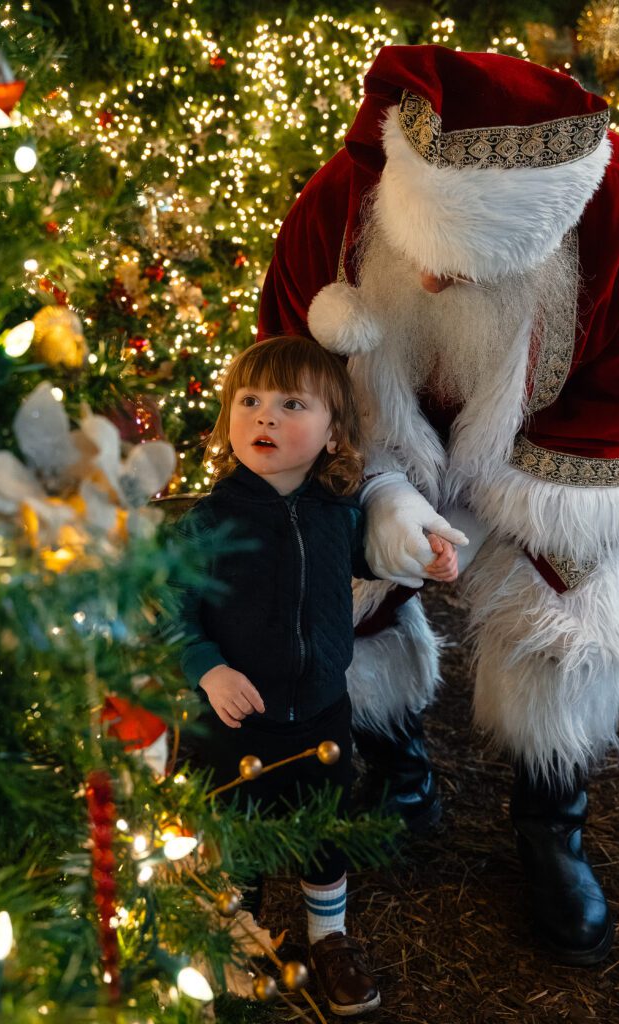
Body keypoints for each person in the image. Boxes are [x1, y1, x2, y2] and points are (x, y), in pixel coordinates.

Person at [258, 45, 619, 967]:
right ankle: (396, 760)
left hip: (563, 438)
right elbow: (286, 367)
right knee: (333, 573)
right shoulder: (336, 205)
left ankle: (551, 819)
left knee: (570, 613)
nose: (431, 285)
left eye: (465, 270)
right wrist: (376, 490)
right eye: (425, 257)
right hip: (382, 422)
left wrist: (523, 497)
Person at [176, 334, 458, 1016]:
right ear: (228, 420)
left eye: (291, 404)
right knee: (234, 833)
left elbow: (376, 557)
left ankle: (327, 939)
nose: (265, 417)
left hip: (323, 711)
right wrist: (208, 671)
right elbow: (171, 611)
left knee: (320, 828)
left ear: (334, 436)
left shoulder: (337, 514)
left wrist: (426, 557)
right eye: (250, 401)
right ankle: (235, 938)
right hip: (232, 718)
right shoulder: (208, 522)